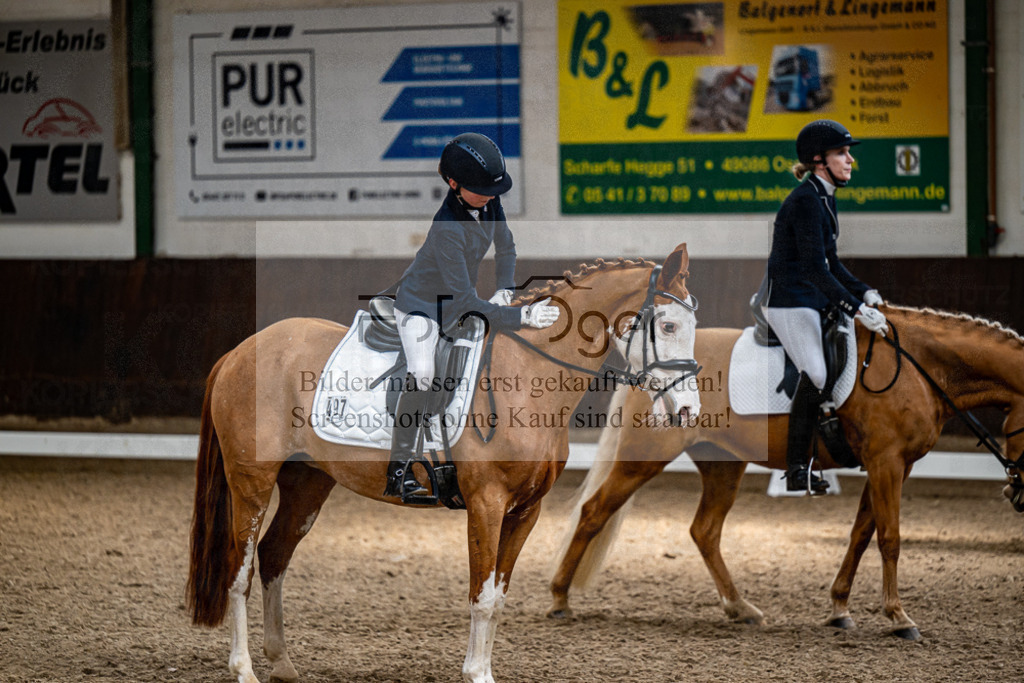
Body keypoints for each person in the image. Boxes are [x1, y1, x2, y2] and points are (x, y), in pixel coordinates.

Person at [385, 132, 560, 500]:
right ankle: (399, 469)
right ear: (454, 184)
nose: (491, 196)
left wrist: (506, 290)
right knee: (423, 373)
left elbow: (506, 247)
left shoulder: (488, 201)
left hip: (455, 302)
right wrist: (522, 316)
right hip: (421, 307)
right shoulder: (447, 228)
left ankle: (456, 457)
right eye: (482, 190)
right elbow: (465, 301)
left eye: (493, 190)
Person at [756, 119, 888, 494]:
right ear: (819, 160)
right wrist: (857, 310)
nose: (850, 161)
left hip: (811, 299)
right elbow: (816, 270)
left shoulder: (824, 198)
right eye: (842, 154)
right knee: (814, 373)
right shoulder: (804, 202)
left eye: (848, 154)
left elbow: (833, 263)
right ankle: (797, 467)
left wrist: (865, 293)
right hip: (789, 302)